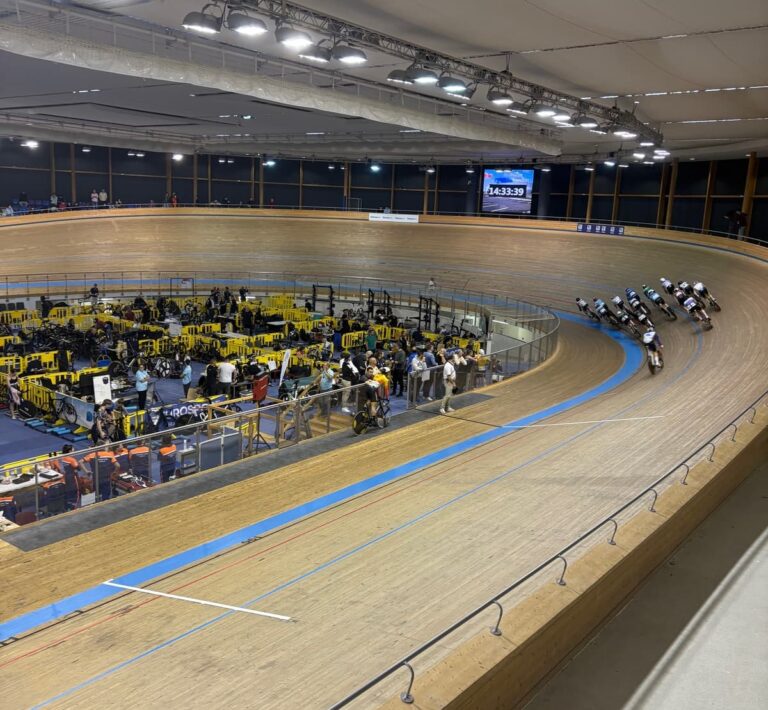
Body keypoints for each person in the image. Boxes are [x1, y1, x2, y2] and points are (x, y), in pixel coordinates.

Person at [440, 349, 466, 414]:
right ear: (451, 358)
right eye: (454, 357)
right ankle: (442, 408)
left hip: (451, 381)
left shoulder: (451, 364)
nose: (455, 358)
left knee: (450, 395)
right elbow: (448, 377)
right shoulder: (448, 365)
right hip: (449, 382)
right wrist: (453, 383)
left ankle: (448, 407)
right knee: (447, 395)